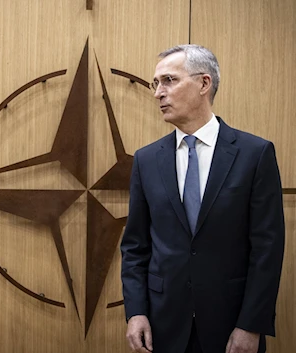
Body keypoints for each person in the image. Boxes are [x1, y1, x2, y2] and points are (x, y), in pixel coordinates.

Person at [120, 45, 285, 353]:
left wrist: (251, 324)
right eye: (156, 83)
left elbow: (267, 249)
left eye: (169, 80)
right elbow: (135, 246)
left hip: (231, 325)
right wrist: (136, 311)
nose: (158, 93)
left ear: (204, 84)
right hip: (162, 325)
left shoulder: (254, 154)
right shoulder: (146, 160)